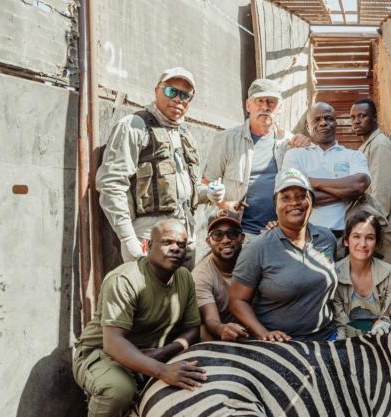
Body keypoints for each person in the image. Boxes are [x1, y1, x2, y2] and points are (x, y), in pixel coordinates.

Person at [71, 219, 205, 417]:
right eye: (167, 242)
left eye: (181, 244)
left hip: (153, 353)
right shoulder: (124, 280)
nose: (175, 248)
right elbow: (113, 343)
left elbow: (193, 329)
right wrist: (162, 370)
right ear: (147, 246)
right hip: (103, 354)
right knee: (118, 390)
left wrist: (164, 352)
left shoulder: (184, 278)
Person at [96, 67, 210, 263]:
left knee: (181, 293)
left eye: (185, 95)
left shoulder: (186, 135)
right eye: (171, 91)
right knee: (148, 293)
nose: (178, 99)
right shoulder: (134, 126)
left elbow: (183, 191)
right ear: (157, 90)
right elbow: (111, 183)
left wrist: (208, 194)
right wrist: (127, 237)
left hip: (185, 238)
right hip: (150, 239)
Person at [229, 168, 340, 341]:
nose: (294, 202)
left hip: (326, 338)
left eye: (301, 196)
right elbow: (237, 300)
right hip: (280, 347)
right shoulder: (257, 248)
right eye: (285, 198)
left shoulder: (326, 238)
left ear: (311, 201)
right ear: (275, 205)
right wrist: (263, 333)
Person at [202, 78, 310, 244]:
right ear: (248, 105)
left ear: (279, 108)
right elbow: (207, 182)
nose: (265, 107)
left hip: (279, 234)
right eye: (259, 101)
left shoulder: (289, 143)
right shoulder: (226, 140)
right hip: (237, 234)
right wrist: (223, 204)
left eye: (271, 102)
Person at [281, 102, 372, 236]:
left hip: (346, 234)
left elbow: (360, 184)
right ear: (308, 126)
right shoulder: (294, 155)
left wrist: (312, 182)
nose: (323, 123)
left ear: (336, 123)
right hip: (307, 235)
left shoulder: (353, 155)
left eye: (329, 118)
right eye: (317, 119)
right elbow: (295, 198)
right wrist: (348, 193)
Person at [350, 98, 391, 266]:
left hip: (385, 228)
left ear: (375, 118)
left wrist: (369, 227)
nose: (356, 121)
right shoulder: (367, 146)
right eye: (352, 117)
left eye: (362, 116)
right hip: (376, 227)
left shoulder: (380, 145)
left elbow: (382, 194)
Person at [332, 211, 391, 337]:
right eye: (356, 236)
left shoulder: (390, 274)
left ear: (377, 242)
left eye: (369, 238)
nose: (363, 244)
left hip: (381, 339)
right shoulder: (334, 274)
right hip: (345, 340)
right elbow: (340, 323)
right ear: (346, 241)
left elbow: (387, 317)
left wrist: (381, 324)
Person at [192, 209, 248, 342]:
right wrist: (222, 329)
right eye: (218, 235)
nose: (226, 240)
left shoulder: (252, 260)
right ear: (208, 241)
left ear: (242, 238)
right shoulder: (200, 275)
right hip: (220, 334)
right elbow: (211, 319)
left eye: (232, 234)